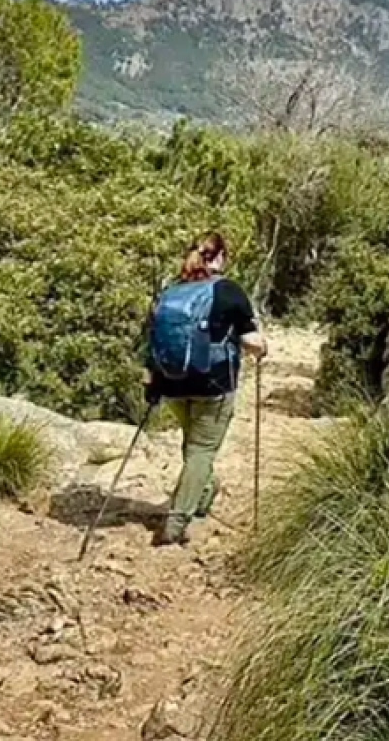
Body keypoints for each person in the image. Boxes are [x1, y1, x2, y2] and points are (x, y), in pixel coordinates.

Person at [142, 232, 267, 547]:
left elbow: (151, 343)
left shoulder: (171, 293)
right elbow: (252, 342)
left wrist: (152, 384)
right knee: (201, 450)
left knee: (194, 445)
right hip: (213, 384)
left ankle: (204, 492)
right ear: (220, 257)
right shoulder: (228, 291)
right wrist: (262, 347)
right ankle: (176, 520)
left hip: (171, 383)